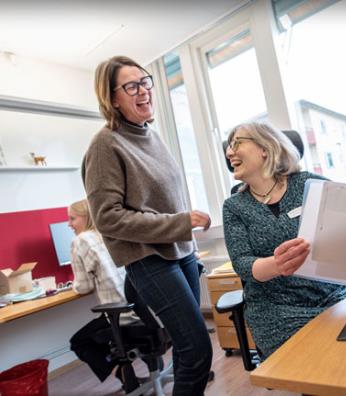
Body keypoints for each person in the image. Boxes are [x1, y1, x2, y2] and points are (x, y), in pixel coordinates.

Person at [82, 56, 212, 396]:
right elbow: (108, 217)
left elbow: (166, 200)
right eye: (131, 86)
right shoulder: (105, 145)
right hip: (148, 259)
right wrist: (179, 224)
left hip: (181, 253)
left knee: (187, 350)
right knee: (198, 348)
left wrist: (188, 238)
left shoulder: (151, 136)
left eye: (145, 82)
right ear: (112, 98)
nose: (143, 91)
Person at [222, 122, 346, 359]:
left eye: (237, 143)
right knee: (320, 361)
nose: (229, 152)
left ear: (265, 147)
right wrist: (277, 265)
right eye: (228, 147)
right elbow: (242, 263)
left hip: (333, 297)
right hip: (276, 310)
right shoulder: (234, 206)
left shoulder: (311, 184)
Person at [68, 199, 139, 387]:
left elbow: (83, 287)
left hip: (120, 316)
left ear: (86, 217)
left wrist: (72, 285)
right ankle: (128, 369)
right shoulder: (108, 234)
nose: (69, 224)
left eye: (72, 219)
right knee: (96, 334)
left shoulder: (80, 240)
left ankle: (121, 372)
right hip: (141, 312)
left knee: (79, 342)